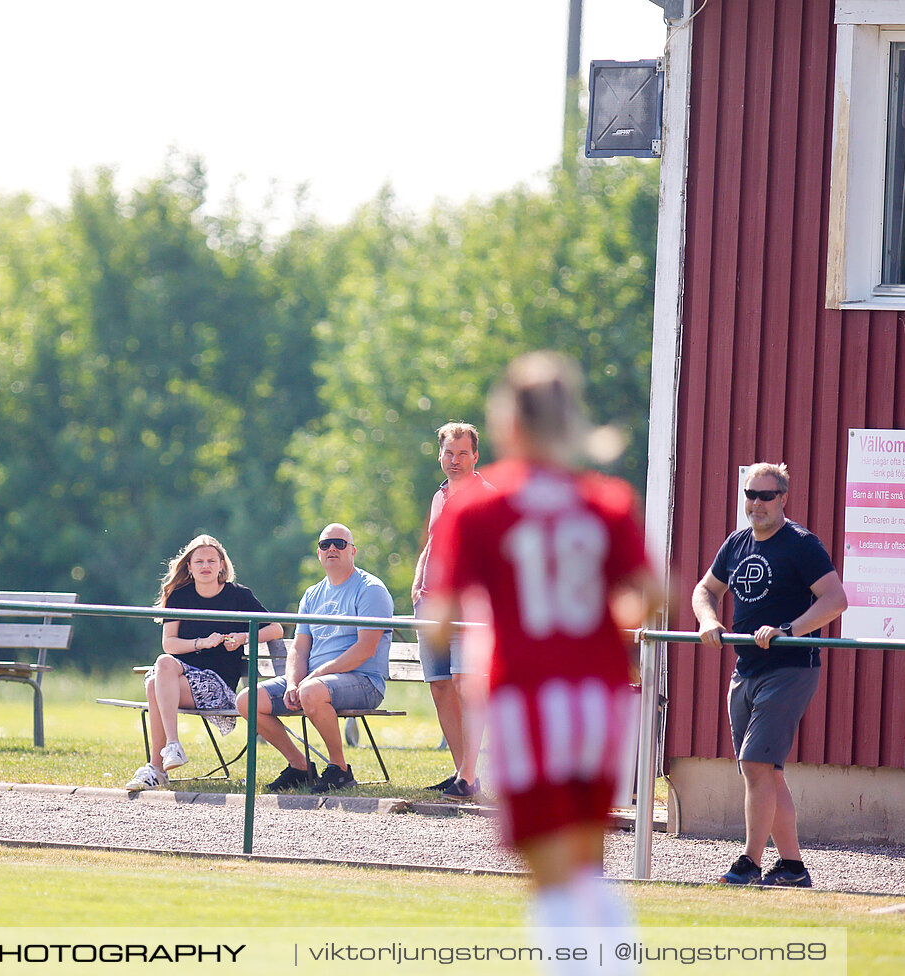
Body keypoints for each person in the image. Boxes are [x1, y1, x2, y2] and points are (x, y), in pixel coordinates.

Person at [423, 351, 662, 976]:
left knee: (549, 872)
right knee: (587, 862)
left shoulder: (476, 510)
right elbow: (649, 595)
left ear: (507, 425)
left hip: (526, 693)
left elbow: (442, 618)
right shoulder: (607, 501)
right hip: (600, 696)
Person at [690, 462, 848, 887]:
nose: (756, 504)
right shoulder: (737, 543)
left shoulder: (800, 544)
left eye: (765, 496)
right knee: (767, 773)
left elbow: (836, 599)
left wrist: (789, 631)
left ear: (782, 499)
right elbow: (705, 589)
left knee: (755, 764)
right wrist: (708, 620)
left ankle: (749, 863)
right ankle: (794, 868)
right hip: (746, 668)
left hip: (790, 668)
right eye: (750, 495)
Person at [239, 523, 394, 794]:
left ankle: (340, 770)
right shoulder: (312, 594)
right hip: (314, 682)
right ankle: (300, 767)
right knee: (246, 700)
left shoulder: (371, 589)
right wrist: (292, 683)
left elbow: (366, 649)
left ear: (353, 551)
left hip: (364, 681)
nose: (332, 548)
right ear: (319, 554)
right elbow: (299, 649)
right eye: (325, 545)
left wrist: (314, 677)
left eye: (339, 543)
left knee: (311, 691)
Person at [124, 535, 283, 791]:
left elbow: (276, 629)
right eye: (199, 561)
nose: (205, 566)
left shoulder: (239, 596)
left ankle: (156, 767)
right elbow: (170, 644)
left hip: (217, 685)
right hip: (179, 675)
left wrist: (244, 637)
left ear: (222, 565)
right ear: (189, 566)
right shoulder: (179, 595)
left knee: (155, 684)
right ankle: (172, 747)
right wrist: (202, 642)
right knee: (163, 664)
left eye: (211, 560)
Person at [411, 420, 495, 800]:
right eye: (449, 453)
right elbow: (431, 543)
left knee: (466, 685)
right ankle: (465, 774)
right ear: (439, 455)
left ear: (476, 456)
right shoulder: (439, 495)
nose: (455, 460)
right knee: (441, 686)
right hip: (430, 603)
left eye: (463, 453)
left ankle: (469, 772)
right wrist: (416, 583)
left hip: (467, 608)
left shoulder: (487, 497)